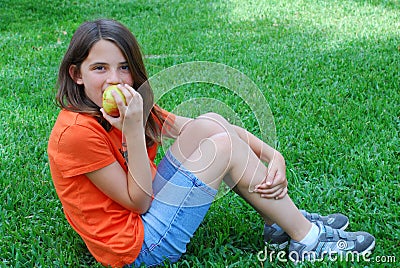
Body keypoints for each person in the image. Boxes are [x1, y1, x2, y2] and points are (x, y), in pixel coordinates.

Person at [47, 19, 375, 267]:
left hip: (143, 212)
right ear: (77, 74)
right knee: (222, 148)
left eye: (124, 68)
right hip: (135, 247)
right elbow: (138, 203)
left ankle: (282, 224)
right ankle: (308, 239)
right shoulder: (76, 133)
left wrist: (274, 154)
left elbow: (204, 127)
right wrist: (133, 132)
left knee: (212, 123)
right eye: (99, 68)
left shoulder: (133, 105)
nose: (115, 80)